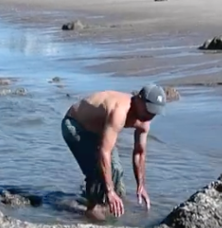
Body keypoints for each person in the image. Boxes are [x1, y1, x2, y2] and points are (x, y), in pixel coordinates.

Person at [61, 84, 166, 220]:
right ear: (139, 100)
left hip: (99, 131)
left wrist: (141, 185)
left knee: (116, 170)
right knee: (98, 170)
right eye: (149, 110)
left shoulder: (145, 119)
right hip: (75, 124)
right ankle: (91, 209)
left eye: (154, 113)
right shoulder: (119, 111)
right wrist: (109, 191)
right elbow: (104, 152)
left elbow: (139, 153)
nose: (150, 116)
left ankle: (99, 199)